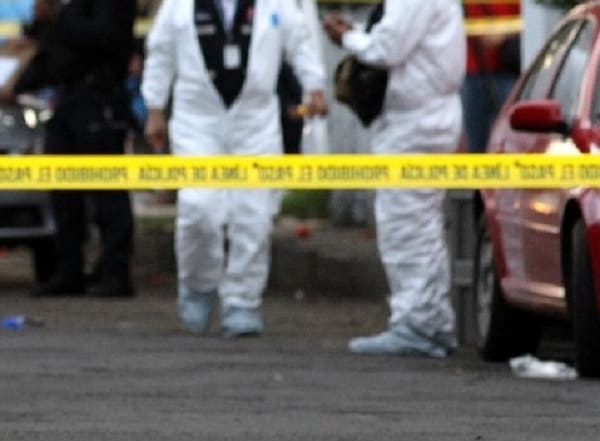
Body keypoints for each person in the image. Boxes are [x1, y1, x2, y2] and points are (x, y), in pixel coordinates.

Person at [142, 0, 327, 336]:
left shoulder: (275, 4)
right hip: (198, 120)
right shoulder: (179, 6)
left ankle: (243, 300)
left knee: (254, 215)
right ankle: (198, 286)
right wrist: (155, 107)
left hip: (254, 121)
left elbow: (300, 41)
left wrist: (314, 86)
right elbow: (160, 51)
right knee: (199, 209)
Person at [323, 0, 465, 357]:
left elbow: (387, 48)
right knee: (422, 226)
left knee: (405, 226)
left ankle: (417, 324)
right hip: (423, 118)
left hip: (414, 124)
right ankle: (431, 322)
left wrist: (348, 38)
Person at [10, 0, 139, 298]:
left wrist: (56, 17)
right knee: (63, 192)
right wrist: (16, 84)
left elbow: (104, 37)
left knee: (107, 192)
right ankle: (69, 270)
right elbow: (50, 51)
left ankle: (116, 271)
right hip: (66, 101)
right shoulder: (63, 8)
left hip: (99, 99)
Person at [461, 1, 521, 153]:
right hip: (473, 71)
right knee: (475, 139)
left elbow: (529, 20)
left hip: (506, 69)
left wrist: (503, 34)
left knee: (512, 137)